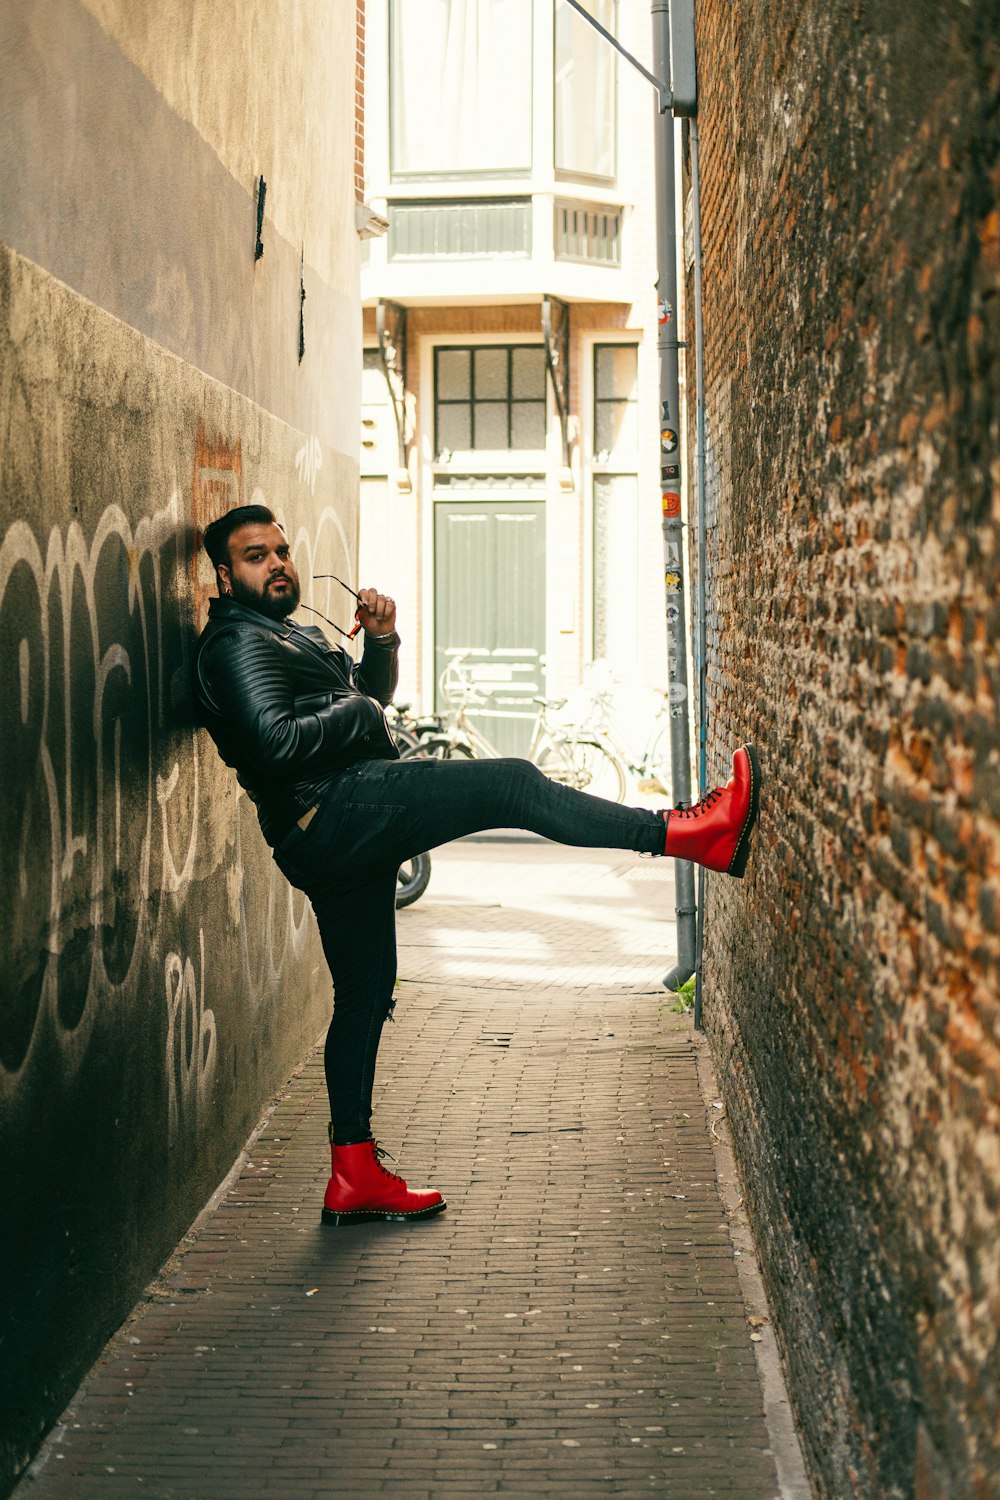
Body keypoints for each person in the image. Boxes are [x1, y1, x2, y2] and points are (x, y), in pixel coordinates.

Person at [194, 504, 761, 1227]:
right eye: (254, 556)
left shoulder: (281, 629)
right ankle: (688, 834)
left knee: (365, 994)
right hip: (335, 812)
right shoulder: (233, 645)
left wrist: (383, 641)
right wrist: (361, 712)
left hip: (331, 828)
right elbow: (275, 742)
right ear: (223, 572)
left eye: (279, 550)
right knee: (512, 783)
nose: (276, 563)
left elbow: (367, 695)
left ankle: (354, 1174)